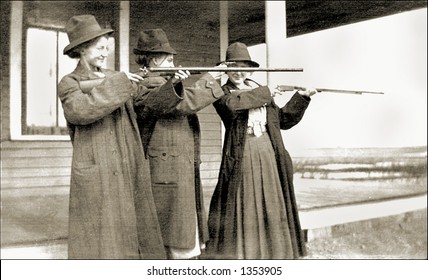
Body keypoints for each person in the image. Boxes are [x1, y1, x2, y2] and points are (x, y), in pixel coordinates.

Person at [58, 15, 184, 259]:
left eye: (107, 48)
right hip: (99, 165)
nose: (105, 53)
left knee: (133, 233)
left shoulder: (116, 76)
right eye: (100, 48)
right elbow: (80, 111)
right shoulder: (70, 82)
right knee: (101, 238)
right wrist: (119, 83)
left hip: (127, 160)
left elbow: (146, 106)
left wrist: (173, 86)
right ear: (82, 49)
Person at [207, 42, 317, 259]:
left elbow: (282, 121)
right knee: (244, 204)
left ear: (250, 69)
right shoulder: (223, 93)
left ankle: (275, 255)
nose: (238, 72)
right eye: (232, 67)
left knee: (272, 204)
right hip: (243, 155)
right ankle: (245, 256)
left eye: (243, 66)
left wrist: (302, 98)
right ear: (225, 69)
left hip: (268, 154)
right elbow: (233, 106)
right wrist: (266, 93)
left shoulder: (260, 90)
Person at [132, 29, 225, 259]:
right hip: (166, 169)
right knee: (173, 235)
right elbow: (182, 104)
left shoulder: (161, 82)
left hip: (175, 167)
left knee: (179, 231)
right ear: (154, 60)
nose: (174, 63)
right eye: (169, 59)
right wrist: (211, 79)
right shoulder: (147, 84)